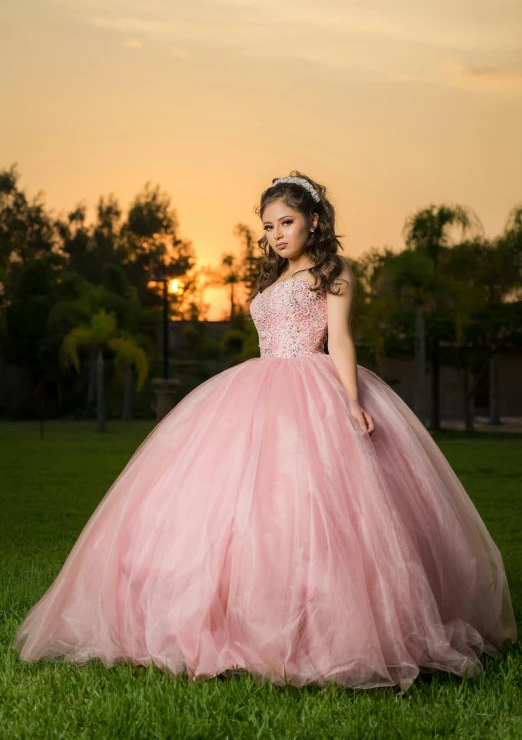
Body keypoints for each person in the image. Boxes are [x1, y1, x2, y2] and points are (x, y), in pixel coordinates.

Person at [13, 172, 517, 695]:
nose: (277, 234)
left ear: (314, 220)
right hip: (256, 389)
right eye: (269, 226)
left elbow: (340, 340)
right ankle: (229, 617)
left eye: (287, 222)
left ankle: (324, 627)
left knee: (315, 507)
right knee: (239, 506)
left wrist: (350, 399)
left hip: (312, 385)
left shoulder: (333, 272)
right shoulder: (271, 279)